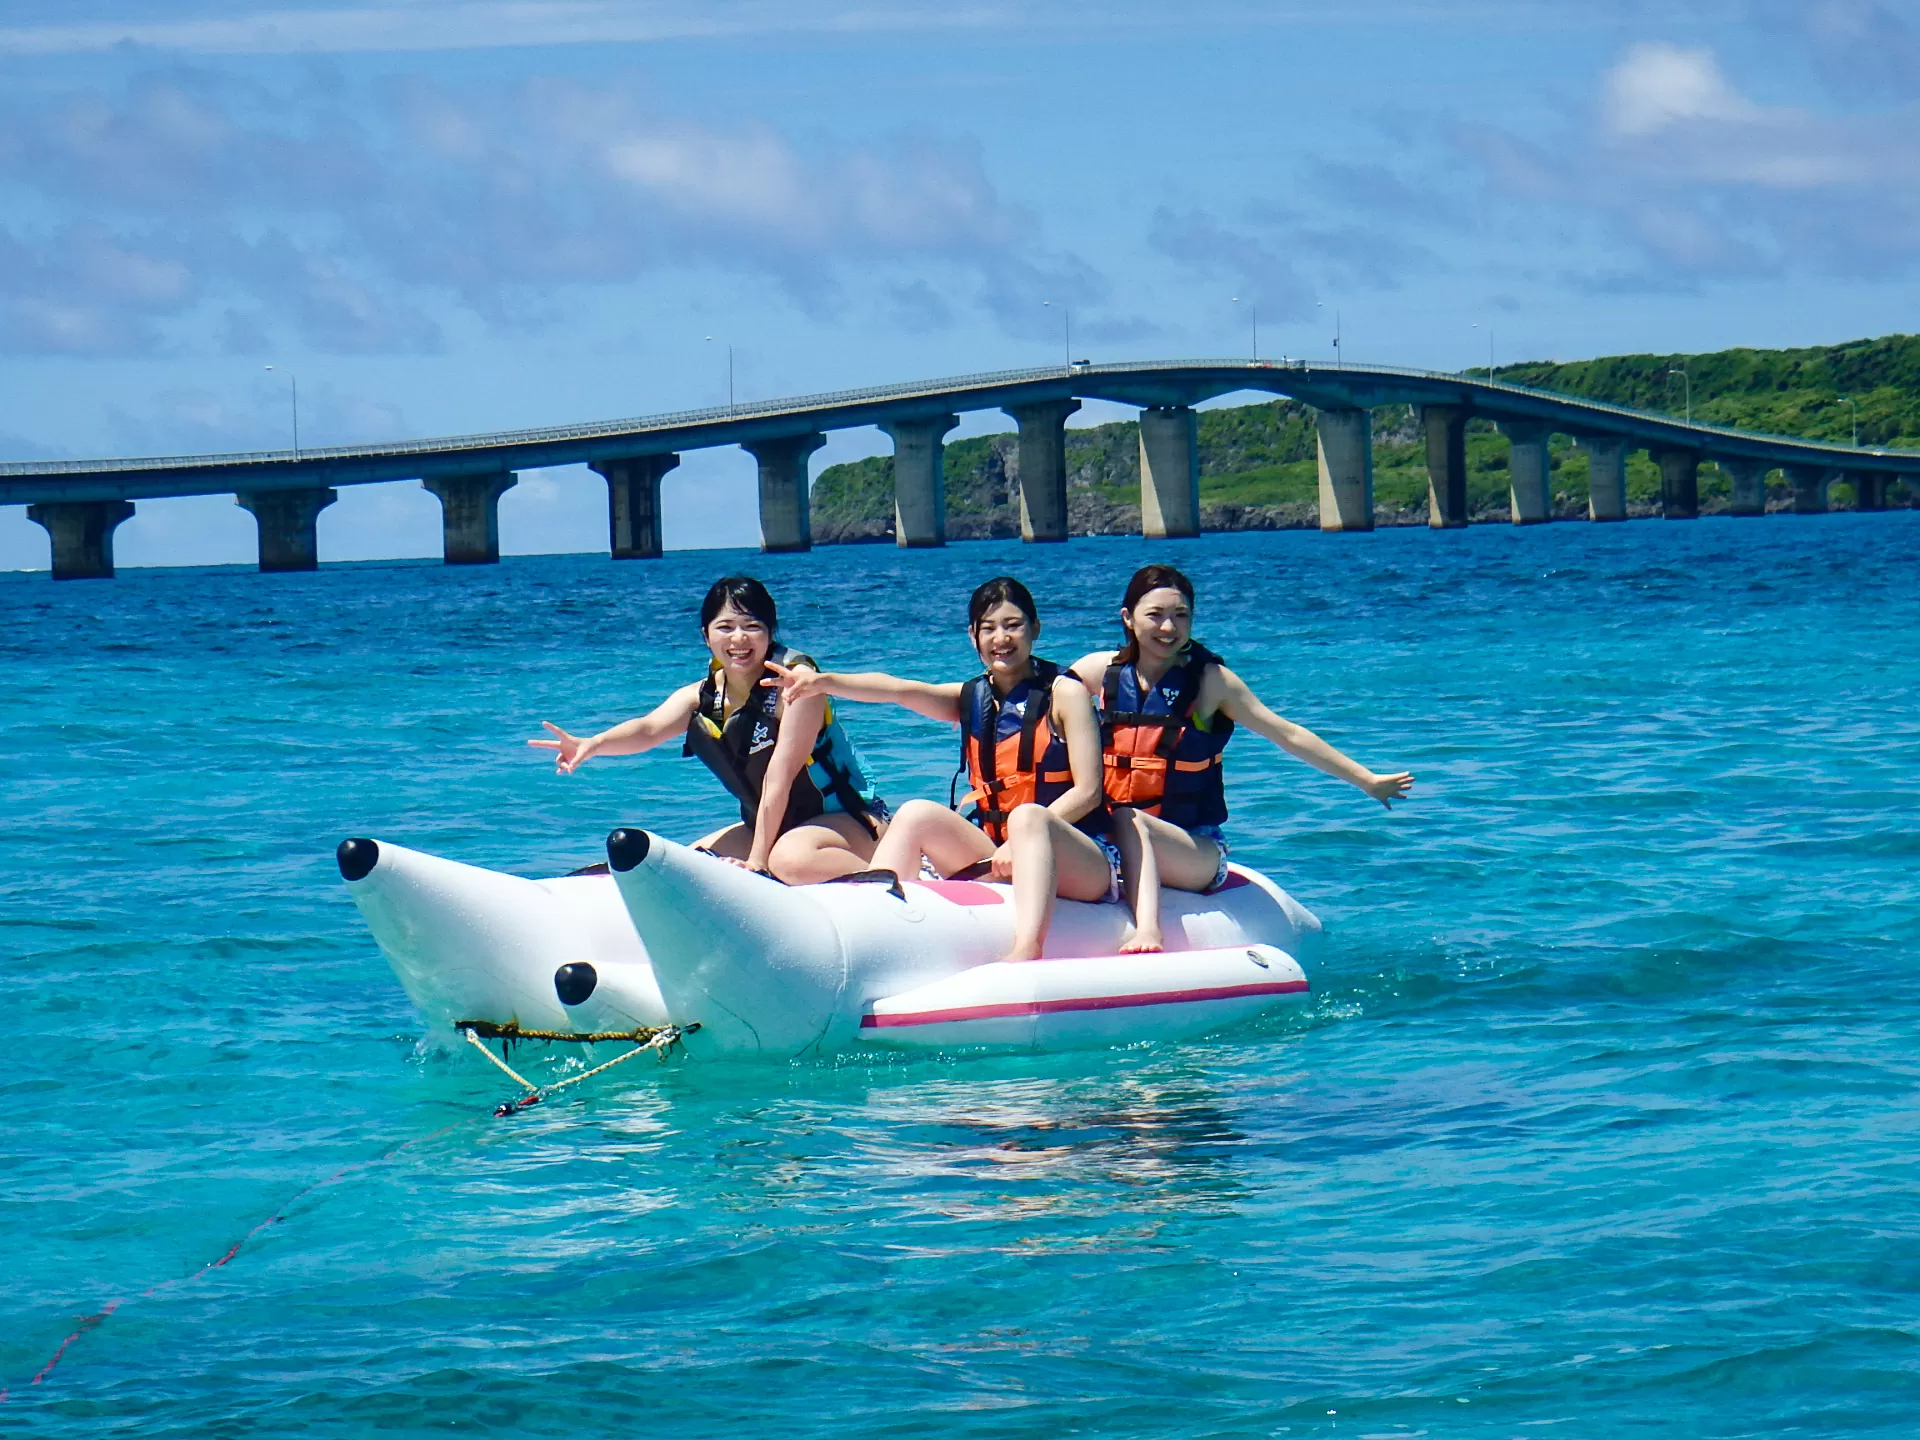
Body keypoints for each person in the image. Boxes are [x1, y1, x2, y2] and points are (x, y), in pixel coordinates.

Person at [1070, 564, 1414, 953]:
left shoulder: (1210, 682)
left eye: (1181, 616)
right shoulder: (1098, 673)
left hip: (1193, 849)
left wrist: (1367, 780)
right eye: (1156, 615)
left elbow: (1288, 734)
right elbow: (1036, 719)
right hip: (1109, 837)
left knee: (1131, 820)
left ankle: (1148, 930)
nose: (1169, 628)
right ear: (1128, 619)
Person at [770, 576, 1115, 962]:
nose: (1001, 637)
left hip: (1076, 858)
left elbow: (1089, 792)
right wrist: (822, 682)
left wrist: (1024, 837)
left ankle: (1028, 948)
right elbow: (897, 690)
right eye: (989, 628)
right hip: (1000, 851)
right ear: (973, 637)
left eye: (1013, 625)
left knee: (1028, 818)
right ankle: (873, 928)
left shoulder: (1066, 693)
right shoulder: (972, 698)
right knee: (917, 813)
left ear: (1035, 628)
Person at [529, 575, 890, 883]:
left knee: (790, 862)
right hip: (776, 828)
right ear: (706, 636)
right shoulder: (703, 697)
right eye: (725, 627)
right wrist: (591, 744)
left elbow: (779, 775)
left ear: (770, 633)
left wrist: (759, 863)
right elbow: (649, 728)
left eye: (752, 627)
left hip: (849, 821)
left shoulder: (796, 687)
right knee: (689, 866)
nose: (739, 639)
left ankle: (898, 875)